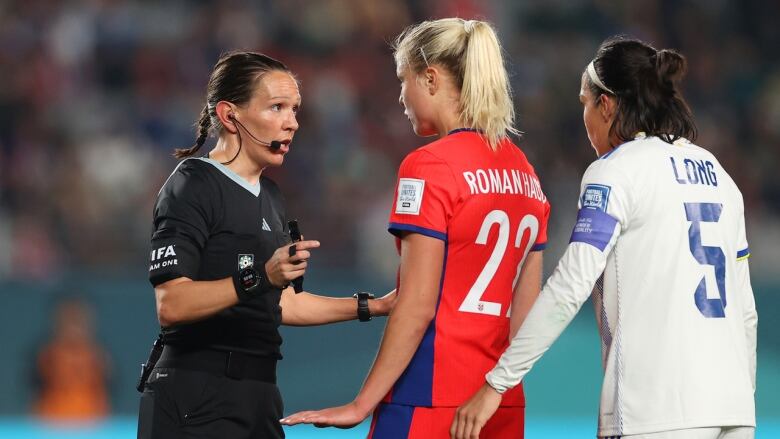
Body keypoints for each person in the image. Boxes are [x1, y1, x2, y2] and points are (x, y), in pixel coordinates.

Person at [452, 36, 758, 439]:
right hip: (734, 406)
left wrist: (497, 383)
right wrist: (740, 394)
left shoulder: (614, 172)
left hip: (656, 409)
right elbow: (746, 312)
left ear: (607, 105)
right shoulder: (718, 173)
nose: (584, 116)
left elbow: (569, 287)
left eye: (584, 102)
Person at [280, 18, 550, 438]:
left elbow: (418, 303)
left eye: (402, 80)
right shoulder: (525, 173)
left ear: (430, 78)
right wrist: (498, 389)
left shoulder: (428, 166)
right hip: (499, 402)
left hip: (428, 395)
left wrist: (361, 403)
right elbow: (526, 313)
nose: (401, 97)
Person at [137, 51, 396, 439]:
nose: (292, 123)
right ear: (229, 115)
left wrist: (374, 306)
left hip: (259, 395)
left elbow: (282, 302)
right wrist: (260, 276)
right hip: (195, 396)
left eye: (294, 109)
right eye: (276, 107)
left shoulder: (271, 196)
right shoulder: (192, 185)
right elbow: (172, 304)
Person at [33, 297, 111, 422]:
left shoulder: (99, 357)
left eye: (78, 321)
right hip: (52, 421)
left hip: (92, 422)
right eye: (69, 320)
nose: (73, 327)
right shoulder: (46, 356)